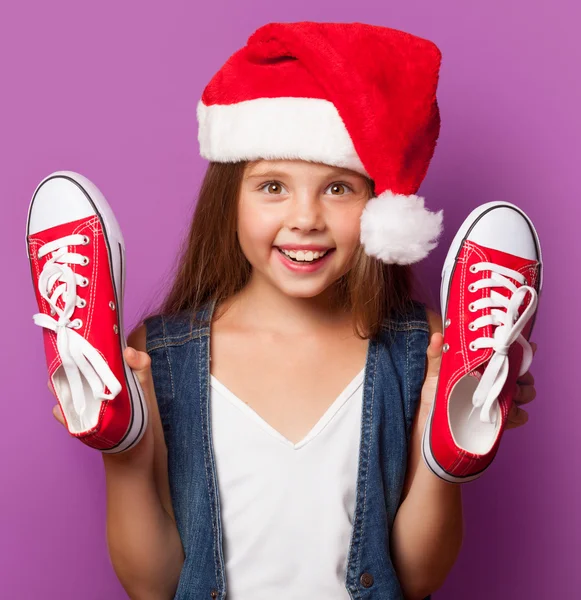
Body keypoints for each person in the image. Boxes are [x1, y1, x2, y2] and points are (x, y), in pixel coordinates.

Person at [51, 21, 537, 600]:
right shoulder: (159, 358)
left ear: (378, 206)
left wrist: (438, 457)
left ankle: (455, 439)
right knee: (123, 425)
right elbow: (154, 586)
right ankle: (112, 422)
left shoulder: (421, 350)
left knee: (451, 419)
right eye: (272, 186)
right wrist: (126, 454)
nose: (305, 218)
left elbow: (414, 578)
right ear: (227, 199)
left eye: (338, 189)